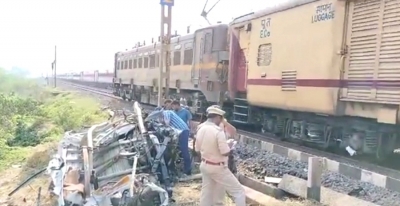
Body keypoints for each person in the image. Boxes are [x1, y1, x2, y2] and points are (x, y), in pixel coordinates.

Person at [195, 107, 246, 206]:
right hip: (218, 166)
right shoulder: (218, 131)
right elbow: (225, 152)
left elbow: (197, 149)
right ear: (218, 117)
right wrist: (229, 146)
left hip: (205, 165)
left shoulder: (201, 128)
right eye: (221, 118)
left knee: (207, 194)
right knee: (239, 192)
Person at [157, 109, 192, 175]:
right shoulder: (165, 114)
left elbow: (167, 123)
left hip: (183, 131)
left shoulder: (167, 112)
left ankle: (188, 169)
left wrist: (161, 123)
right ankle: (173, 167)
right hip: (179, 131)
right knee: (175, 149)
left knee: (184, 149)